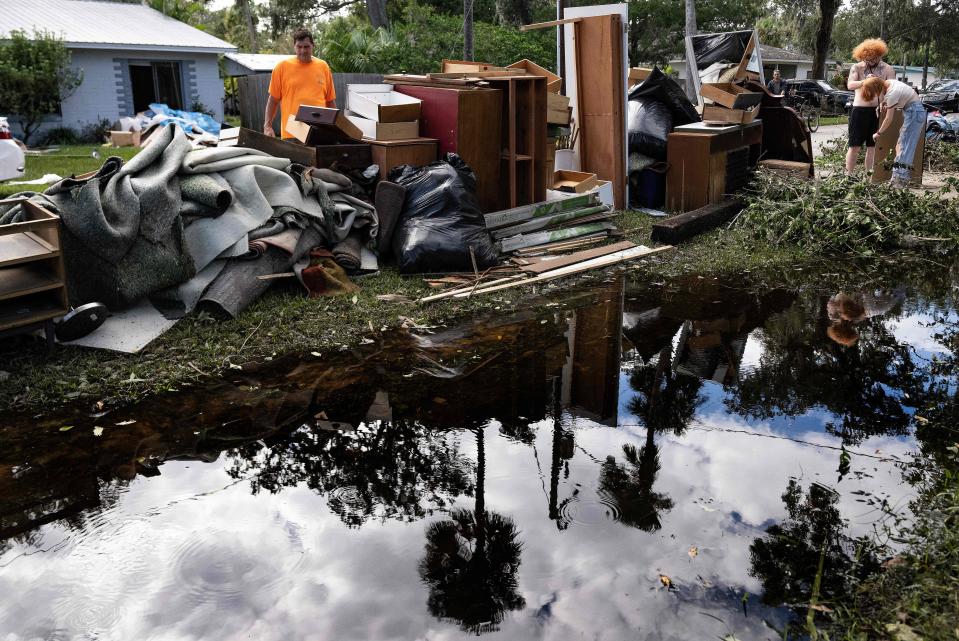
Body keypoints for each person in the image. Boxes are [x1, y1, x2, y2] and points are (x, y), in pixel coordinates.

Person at [264, 28, 336, 139]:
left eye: (306, 46)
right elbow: (273, 100)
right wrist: (267, 126)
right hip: (292, 133)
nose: (303, 50)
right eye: (299, 47)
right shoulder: (282, 67)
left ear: (313, 46)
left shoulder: (323, 67)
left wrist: (335, 129)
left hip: (319, 132)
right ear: (294, 47)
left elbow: (330, 101)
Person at [862, 76, 926, 188]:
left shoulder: (892, 93)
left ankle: (899, 181)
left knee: (904, 147)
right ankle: (899, 179)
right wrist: (882, 104)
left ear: (877, 88)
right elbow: (889, 98)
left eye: (874, 92)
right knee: (901, 145)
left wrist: (878, 133)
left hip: (914, 113)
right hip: (913, 111)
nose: (875, 95)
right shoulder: (889, 83)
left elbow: (888, 119)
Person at [845, 38, 895, 175]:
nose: (870, 62)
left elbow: (892, 89)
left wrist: (879, 83)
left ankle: (870, 176)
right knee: (854, 146)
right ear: (862, 56)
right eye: (867, 59)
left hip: (878, 111)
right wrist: (865, 81)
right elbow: (850, 85)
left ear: (880, 55)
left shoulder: (888, 69)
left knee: (872, 146)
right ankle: (848, 175)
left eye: (874, 59)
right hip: (859, 111)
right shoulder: (856, 67)